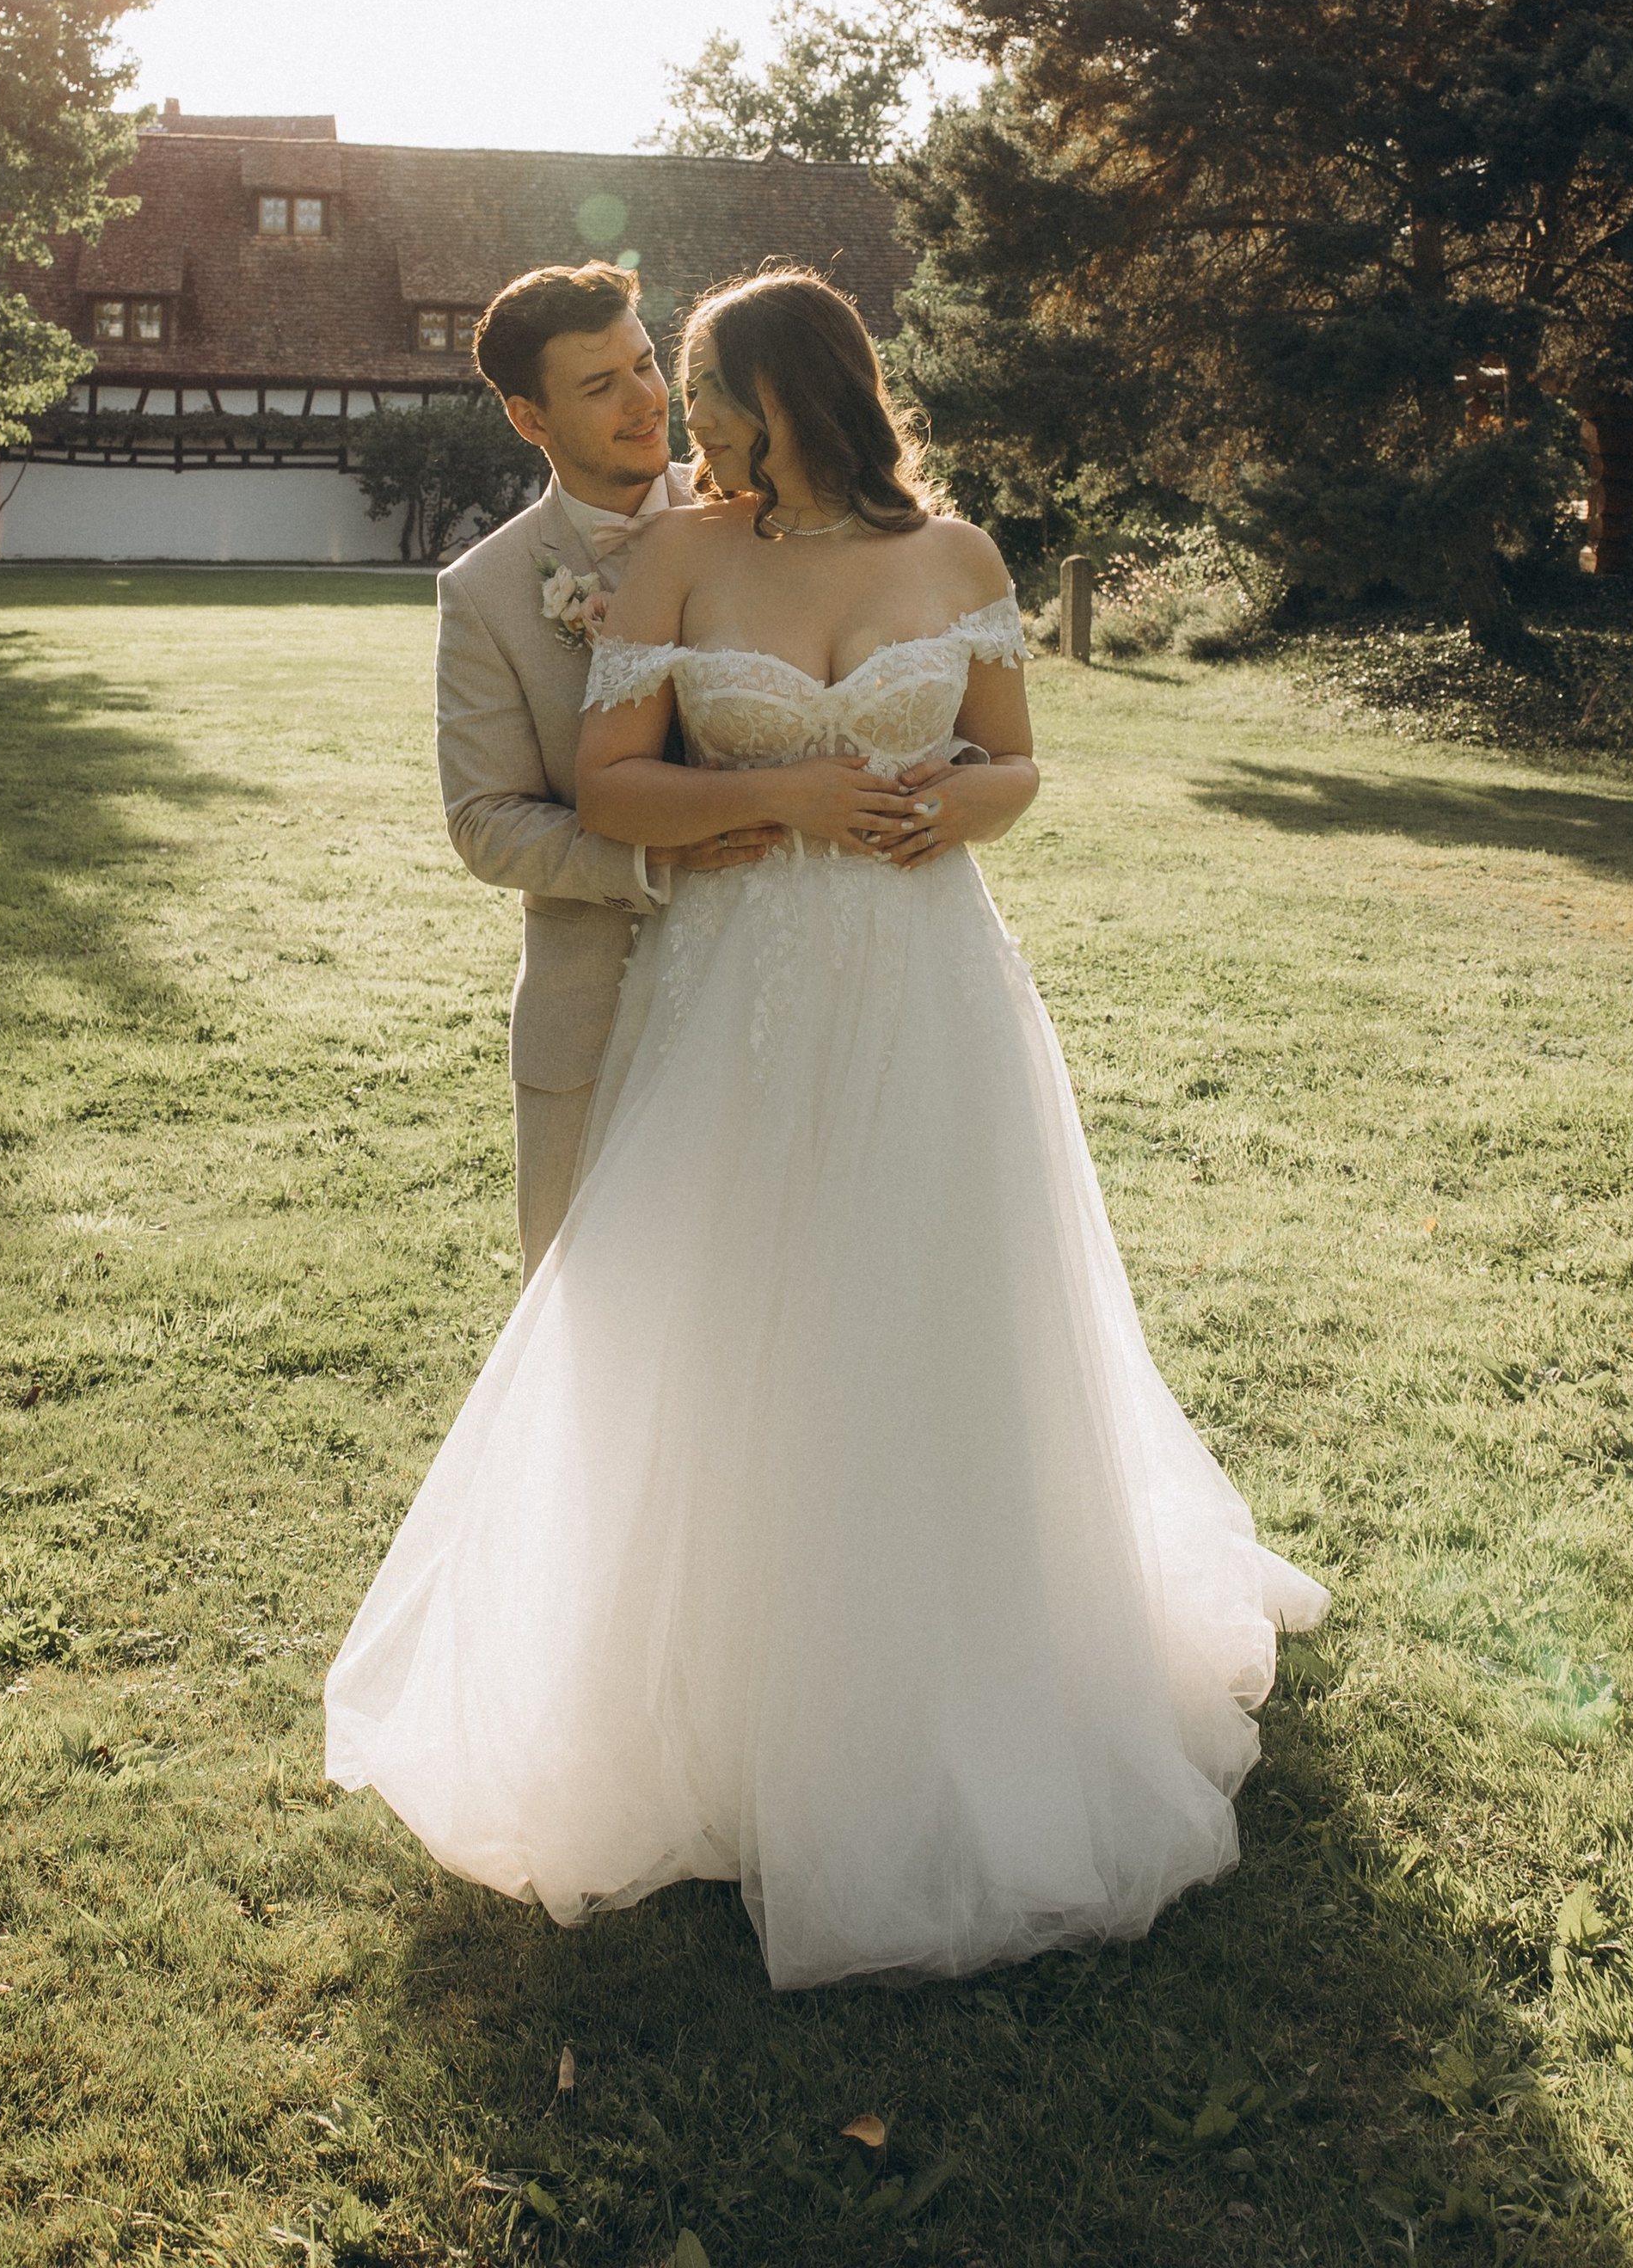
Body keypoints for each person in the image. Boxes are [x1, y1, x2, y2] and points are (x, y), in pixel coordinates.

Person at [327, 269, 1327, 1991]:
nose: (668, 413)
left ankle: (955, 1673)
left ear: (782, 394)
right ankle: (706, 1705)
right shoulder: (666, 560)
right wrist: (784, 790)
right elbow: (602, 786)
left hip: (925, 990)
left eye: (683, 378)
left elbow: (1014, 768)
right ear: (541, 411)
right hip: (722, 1003)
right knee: (710, 1343)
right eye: (632, 384)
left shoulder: (958, 561)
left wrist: (941, 806)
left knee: (926, 1322)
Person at [431, 261, 781, 1279]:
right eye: (600, 386)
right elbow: (486, 819)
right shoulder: (488, 592)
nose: (646, 402)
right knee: (588, 1328)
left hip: (776, 986)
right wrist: (656, 860)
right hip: (593, 1007)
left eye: (644, 364)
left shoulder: (763, 517)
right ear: (527, 419)